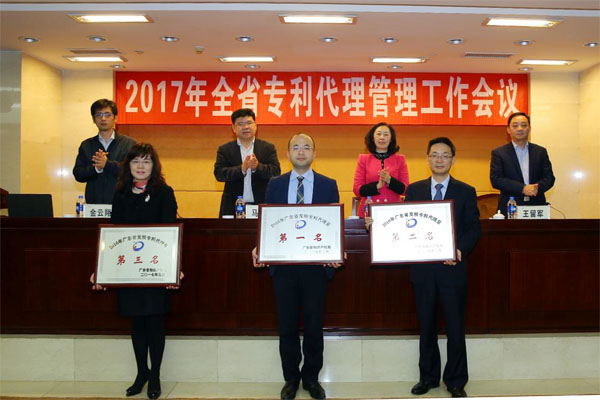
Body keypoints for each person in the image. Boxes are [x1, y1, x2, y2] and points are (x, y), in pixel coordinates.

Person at [252, 133, 342, 400]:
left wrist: (337, 250)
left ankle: (311, 378)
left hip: (316, 267)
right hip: (284, 267)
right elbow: (269, 222)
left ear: (314, 153)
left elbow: (333, 224)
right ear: (288, 153)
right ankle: (291, 378)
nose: (301, 152)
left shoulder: (328, 184)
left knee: (314, 325)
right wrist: (259, 247)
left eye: (306, 147)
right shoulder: (275, 184)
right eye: (295, 147)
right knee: (287, 325)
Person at [91, 143, 179, 399]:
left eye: (146, 161)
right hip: (128, 270)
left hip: (155, 270)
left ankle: (155, 375)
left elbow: (171, 233)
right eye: (136, 161)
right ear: (127, 165)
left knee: (155, 322)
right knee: (137, 323)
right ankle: (142, 373)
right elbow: (113, 234)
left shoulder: (164, 192)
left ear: (154, 166)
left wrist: (175, 269)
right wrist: (101, 269)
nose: (141, 166)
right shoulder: (120, 194)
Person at [405, 137, 481, 398]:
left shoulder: (466, 191)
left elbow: (474, 228)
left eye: (445, 155)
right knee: (426, 326)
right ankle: (428, 378)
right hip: (423, 271)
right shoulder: (414, 190)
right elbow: (405, 226)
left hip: (452, 269)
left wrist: (459, 250)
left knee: (455, 327)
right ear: (427, 158)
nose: (439, 159)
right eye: (434, 154)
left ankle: (456, 380)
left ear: (453, 160)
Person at [214, 108, 281, 217]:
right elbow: (219, 174)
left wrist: (257, 167)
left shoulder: (267, 148)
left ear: (255, 125)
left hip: (261, 205)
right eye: (240, 124)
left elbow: (276, 172)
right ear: (233, 128)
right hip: (232, 206)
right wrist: (241, 169)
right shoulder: (225, 149)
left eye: (249, 123)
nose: (245, 127)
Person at [490, 112, 555, 215]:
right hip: (510, 206)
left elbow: (549, 178)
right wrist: (522, 188)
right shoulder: (499, 153)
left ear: (529, 129)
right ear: (508, 130)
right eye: (515, 126)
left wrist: (536, 188)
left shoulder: (540, 151)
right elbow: (496, 179)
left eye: (524, 125)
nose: (520, 129)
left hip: (536, 206)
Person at [73, 98, 136, 204]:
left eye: (107, 114)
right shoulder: (86, 145)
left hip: (122, 203)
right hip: (95, 205)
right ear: (93, 119)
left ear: (115, 118)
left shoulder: (129, 144)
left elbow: (133, 172)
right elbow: (78, 174)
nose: (103, 118)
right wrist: (95, 168)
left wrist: (107, 164)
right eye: (99, 115)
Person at [353, 122, 409, 217]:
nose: (382, 137)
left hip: (394, 211)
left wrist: (390, 180)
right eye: (378, 134)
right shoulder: (363, 159)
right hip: (369, 212)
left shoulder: (400, 159)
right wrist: (376, 186)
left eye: (386, 134)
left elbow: (405, 189)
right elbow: (357, 189)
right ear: (372, 138)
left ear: (391, 139)